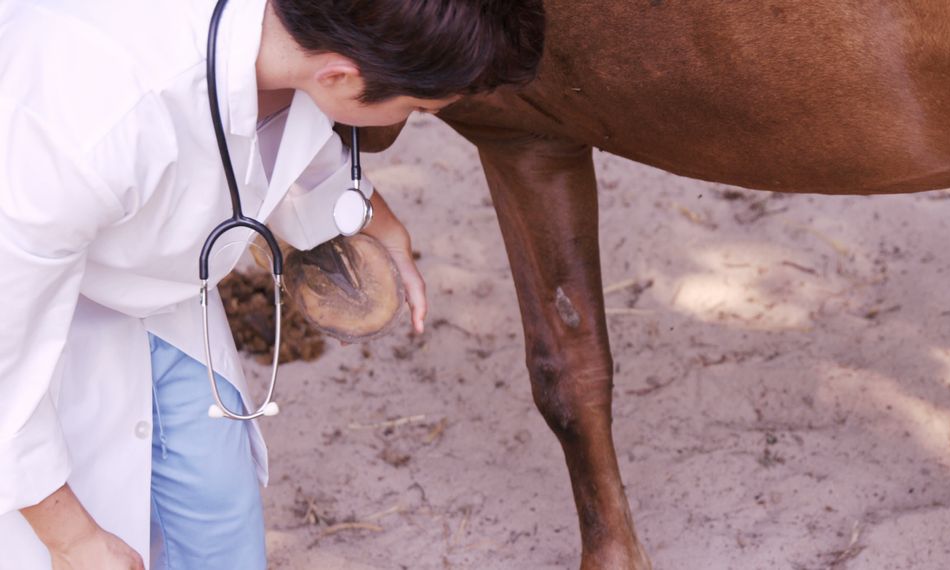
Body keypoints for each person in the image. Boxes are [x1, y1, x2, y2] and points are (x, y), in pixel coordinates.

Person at [0, 0, 544, 568]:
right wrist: (73, 538)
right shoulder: (84, 126)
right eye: (417, 107)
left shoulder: (288, 40)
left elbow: (277, 141)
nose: (410, 118)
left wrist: (373, 218)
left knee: (221, 531)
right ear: (339, 75)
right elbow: (6, 362)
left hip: (165, 301)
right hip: (41, 323)